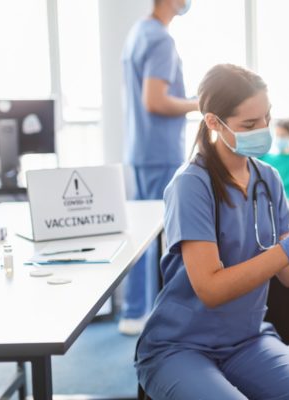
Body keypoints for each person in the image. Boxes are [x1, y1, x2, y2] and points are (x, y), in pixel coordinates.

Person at [135, 64, 289, 400]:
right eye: (249, 124)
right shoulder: (191, 185)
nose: (263, 129)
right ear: (214, 123)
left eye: (267, 117)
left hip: (246, 338)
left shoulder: (268, 180)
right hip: (181, 345)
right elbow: (211, 289)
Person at [120, 0, 198, 335]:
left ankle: (136, 309)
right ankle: (146, 312)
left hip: (142, 149)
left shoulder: (139, 32)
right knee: (163, 234)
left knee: (144, 232)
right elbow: (154, 100)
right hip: (160, 150)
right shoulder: (161, 40)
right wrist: (200, 102)